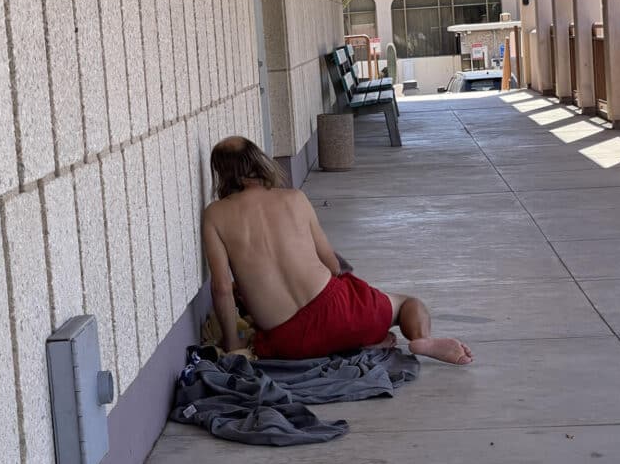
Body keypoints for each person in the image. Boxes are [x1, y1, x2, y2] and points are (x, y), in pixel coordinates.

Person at [201, 136, 473, 365]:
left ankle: (353, 344)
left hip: (287, 342)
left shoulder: (214, 215)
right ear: (259, 162)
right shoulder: (294, 198)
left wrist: (232, 342)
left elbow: (222, 289)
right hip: (342, 315)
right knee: (406, 304)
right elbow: (331, 265)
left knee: (313, 334)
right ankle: (421, 340)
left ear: (221, 174)